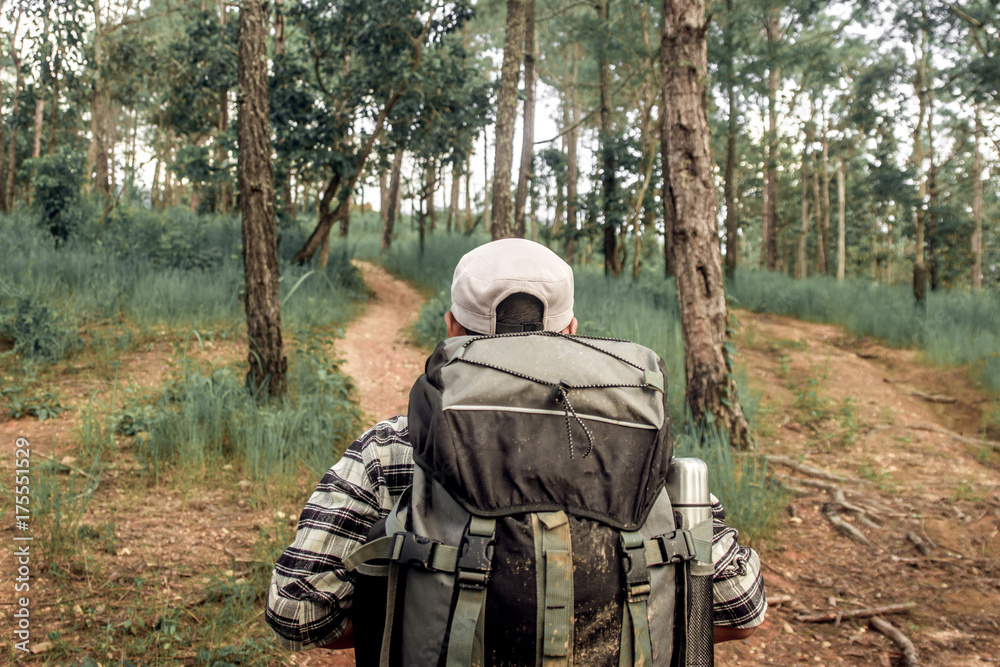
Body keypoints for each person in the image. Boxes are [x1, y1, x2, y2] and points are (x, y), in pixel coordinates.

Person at [265, 238, 766, 654]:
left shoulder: (393, 449)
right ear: (572, 332)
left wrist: (410, 623)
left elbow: (296, 610)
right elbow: (742, 607)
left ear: (452, 329)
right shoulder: (637, 441)